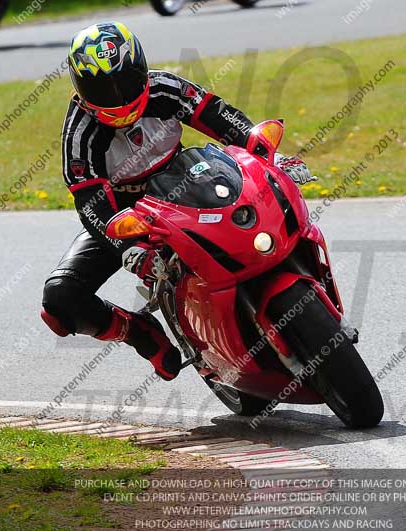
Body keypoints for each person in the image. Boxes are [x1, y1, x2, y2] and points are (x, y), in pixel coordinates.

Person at [40, 21, 314, 381]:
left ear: (141, 67)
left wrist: (270, 158)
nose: (117, 98)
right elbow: (91, 205)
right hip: (127, 216)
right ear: (79, 88)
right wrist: (127, 246)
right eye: (101, 89)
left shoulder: (165, 87)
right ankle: (140, 333)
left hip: (189, 181)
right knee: (59, 301)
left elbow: (222, 118)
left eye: (125, 81)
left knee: (267, 203)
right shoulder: (79, 134)